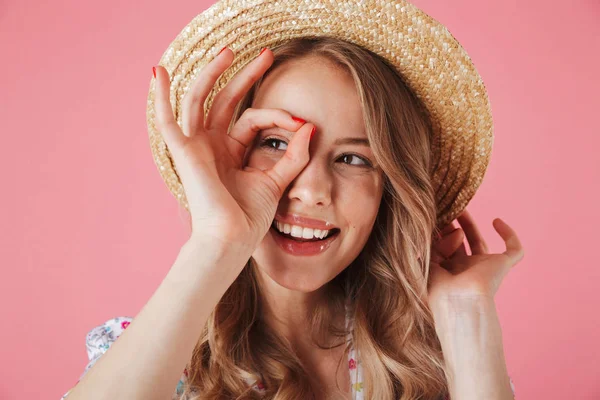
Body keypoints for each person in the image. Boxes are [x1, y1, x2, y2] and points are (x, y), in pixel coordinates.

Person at [61, 2, 523, 399]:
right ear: (232, 157)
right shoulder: (154, 361)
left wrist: (467, 318)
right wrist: (217, 243)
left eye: (354, 158)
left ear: (390, 188)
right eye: (277, 144)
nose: (311, 190)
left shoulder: (433, 363)